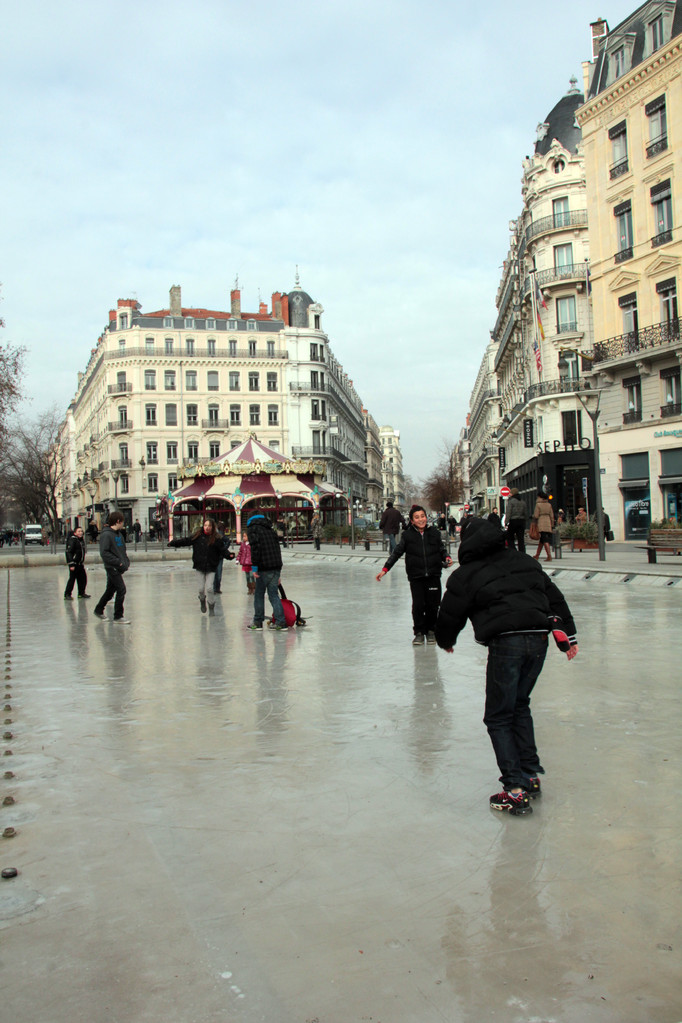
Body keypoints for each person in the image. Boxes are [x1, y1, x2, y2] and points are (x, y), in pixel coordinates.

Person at [435, 517, 578, 816]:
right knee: (520, 705)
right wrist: (569, 637)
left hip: (506, 642)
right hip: (538, 640)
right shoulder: (525, 562)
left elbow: (451, 613)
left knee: (499, 716)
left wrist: (446, 640)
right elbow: (554, 598)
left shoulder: (466, 574)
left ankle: (514, 789)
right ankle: (529, 775)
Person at [376, 504, 453, 646]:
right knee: (418, 606)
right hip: (416, 576)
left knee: (433, 605)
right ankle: (418, 632)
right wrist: (385, 569)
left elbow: (441, 549)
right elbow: (397, 552)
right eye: (417, 517)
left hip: (433, 574)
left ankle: (431, 631)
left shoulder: (434, 533)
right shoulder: (407, 535)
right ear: (412, 521)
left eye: (422, 516)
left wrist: (446, 558)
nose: (421, 519)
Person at [169, 518, 230, 616]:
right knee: (201, 589)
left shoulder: (216, 538)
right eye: (205, 525)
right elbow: (186, 541)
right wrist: (173, 543)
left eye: (209, 526)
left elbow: (222, 549)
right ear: (203, 526)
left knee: (210, 588)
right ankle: (202, 599)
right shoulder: (198, 536)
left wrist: (229, 555)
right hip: (200, 566)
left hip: (211, 566)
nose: (207, 527)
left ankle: (211, 607)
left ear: (212, 527)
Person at [246, 512, 287, 630]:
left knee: (259, 595)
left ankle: (258, 621)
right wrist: (278, 569)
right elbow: (277, 549)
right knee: (273, 595)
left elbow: (255, 549)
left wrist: (254, 567)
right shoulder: (270, 529)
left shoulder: (253, 530)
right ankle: (281, 621)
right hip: (275, 566)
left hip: (263, 568)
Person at [93, 511, 130, 624]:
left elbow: (122, 550)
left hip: (119, 567)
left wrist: (125, 562)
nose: (123, 524)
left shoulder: (119, 534)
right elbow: (104, 553)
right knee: (121, 589)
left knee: (110, 590)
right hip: (112, 567)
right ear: (118, 521)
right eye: (122, 521)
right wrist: (118, 563)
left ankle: (99, 610)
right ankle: (118, 616)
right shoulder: (106, 535)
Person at [64, 526, 90, 599]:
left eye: (81, 531)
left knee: (83, 579)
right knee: (72, 580)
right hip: (74, 564)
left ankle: (81, 593)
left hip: (80, 564)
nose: (80, 533)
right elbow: (69, 552)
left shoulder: (81, 540)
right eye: (79, 531)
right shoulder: (73, 540)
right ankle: (67, 594)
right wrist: (71, 563)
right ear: (75, 533)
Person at [532, 491, 554, 562]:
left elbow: (536, 515)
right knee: (542, 540)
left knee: (544, 539)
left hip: (541, 522)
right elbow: (552, 515)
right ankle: (537, 555)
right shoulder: (549, 505)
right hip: (548, 522)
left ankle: (549, 556)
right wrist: (552, 524)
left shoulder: (538, 505)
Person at [505, 488, 527, 553]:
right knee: (521, 539)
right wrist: (525, 520)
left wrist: (506, 522)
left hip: (513, 521)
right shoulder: (523, 502)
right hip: (521, 521)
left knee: (510, 537)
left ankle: (513, 550)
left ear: (512, 493)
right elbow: (525, 512)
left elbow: (508, 512)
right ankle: (522, 552)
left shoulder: (511, 501)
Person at [212, 525, 232, 594]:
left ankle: (217, 588)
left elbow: (228, 541)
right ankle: (214, 589)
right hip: (212, 557)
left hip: (219, 557)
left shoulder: (219, 535)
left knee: (218, 574)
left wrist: (224, 549)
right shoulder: (209, 536)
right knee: (213, 573)